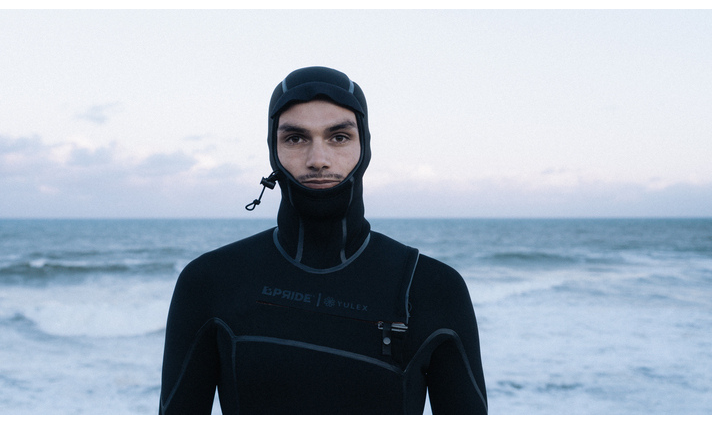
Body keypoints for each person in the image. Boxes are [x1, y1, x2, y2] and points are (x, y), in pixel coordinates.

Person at [159, 66, 487, 414]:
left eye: (339, 137)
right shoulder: (210, 282)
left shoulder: (432, 288)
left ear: (365, 146)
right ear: (273, 149)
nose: (318, 160)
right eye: (295, 138)